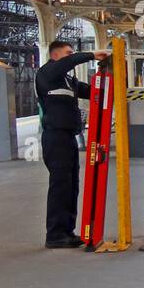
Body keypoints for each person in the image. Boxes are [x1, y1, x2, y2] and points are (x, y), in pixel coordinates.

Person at [35, 41, 108, 248]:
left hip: (68, 137)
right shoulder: (47, 73)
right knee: (60, 185)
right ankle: (55, 235)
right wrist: (93, 55)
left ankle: (67, 230)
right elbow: (70, 62)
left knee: (71, 184)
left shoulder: (67, 80)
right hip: (55, 137)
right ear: (56, 55)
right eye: (68, 54)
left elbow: (91, 90)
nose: (71, 57)